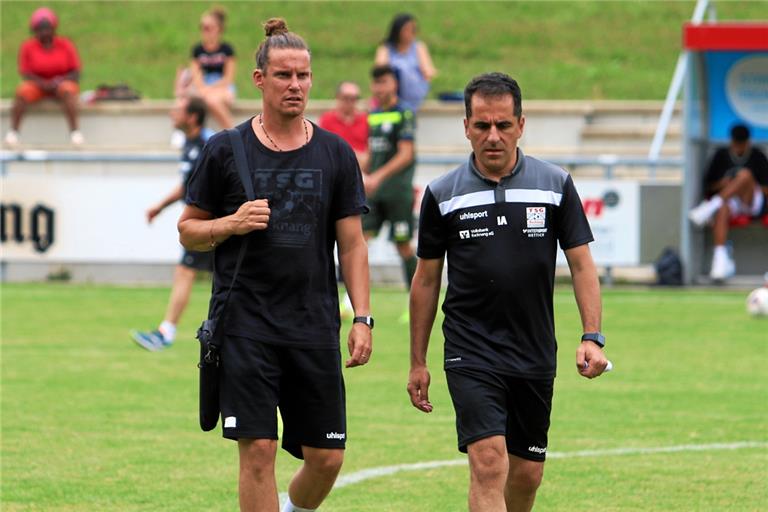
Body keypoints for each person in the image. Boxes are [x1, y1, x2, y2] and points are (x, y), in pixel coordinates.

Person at [177, 18, 372, 512]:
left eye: (303, 76)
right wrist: (232, 223)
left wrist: (363, 317)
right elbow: (188, 230)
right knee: (259, 452)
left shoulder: (335, 153)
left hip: (313, 325)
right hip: (245, 326)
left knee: (327, 457)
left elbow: (352, 246)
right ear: (260, 79)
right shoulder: (226, 149)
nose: (296, 86)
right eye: (284, 75)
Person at [407, 72, 608, 512]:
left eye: (503, 125)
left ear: (521, 124)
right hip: (470, 348)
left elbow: (581, 264)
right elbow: (425, 279)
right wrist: (418, 361)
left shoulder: (555, 184)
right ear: (466, 127)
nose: (492, 136)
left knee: (526, 475)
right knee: (488, 462)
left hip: (534, 349)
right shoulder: (442, 194)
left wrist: (592, 334)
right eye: (482, 126)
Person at [130, 97, 212, 351]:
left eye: (177, 110)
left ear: (192, 117)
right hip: (206, 223)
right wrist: (160, 206)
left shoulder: (208, 143)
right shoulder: (189, 144)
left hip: (210, 224)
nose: (171, 114)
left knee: (187, 272)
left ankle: (166, 332)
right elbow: (187, 184)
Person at [363, 65, 418, 316]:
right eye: (376, 83)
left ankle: (416, 302)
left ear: (394, 84)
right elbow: (373, 154)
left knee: (403, 246)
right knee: (359, 242)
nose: (379, 88)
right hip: (374, 192)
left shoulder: (404, 113)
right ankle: (352, 304)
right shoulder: (373, 114)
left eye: (383, 82)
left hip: (397, 192)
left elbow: (406, 154)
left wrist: (378, 176)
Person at [688, 124, 768, 281]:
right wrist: (726, 184)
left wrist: (742, 185)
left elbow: (766, 188)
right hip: (731, 203)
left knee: (744, 175)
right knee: (723, 207)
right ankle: (720, 260)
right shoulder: (721, 155)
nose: (738, 147)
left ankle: (709, 208)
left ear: (747, 143)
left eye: (742, 144)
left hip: (753, 203)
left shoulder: (757, 155)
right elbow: (710, 185)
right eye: (736, 143)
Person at [5, 7, 83, 147]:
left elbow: (76, 71)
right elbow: (26, 72)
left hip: (61, 83)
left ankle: (75, 133)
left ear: (54, 29)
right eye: (40, 29)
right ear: (34, 31)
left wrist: (59, 81)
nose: (44, 32)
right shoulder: (28, 47)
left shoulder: (65, 45)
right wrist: (43, 83)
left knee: (68, 90)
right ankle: (13, 133)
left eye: (47, 28)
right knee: (22, 92)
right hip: (38, 85)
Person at [175, 7, 236, 129]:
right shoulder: (197, 50)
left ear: (218, 29)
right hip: (202, 86)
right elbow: (196, 76)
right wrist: (204, 89)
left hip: (221, 87)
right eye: (202, 27)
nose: (204, 31)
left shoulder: (227, 50)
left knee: (212, 100)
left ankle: (232, 132)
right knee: (182, 104)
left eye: (208, 28)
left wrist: (209, 89)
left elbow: (228, 78)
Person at [374, 13, 437, 111]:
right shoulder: (386, 48)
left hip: (415, 92)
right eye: (407, 30)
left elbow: (428, 72)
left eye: (413, 30)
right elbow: (380, 70)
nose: (411, 33)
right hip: (392, 91)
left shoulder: (418, 47)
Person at [318, 80, 369, 170]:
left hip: (362, 171)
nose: (349, 102)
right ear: (338, 97)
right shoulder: (327, 120)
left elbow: (370, 153)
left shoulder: (365, 120)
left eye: (354, 98)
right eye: (346, 98)